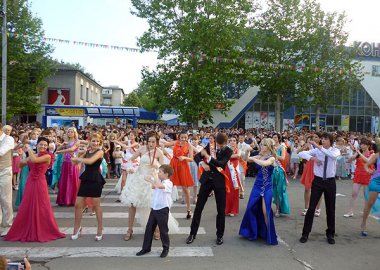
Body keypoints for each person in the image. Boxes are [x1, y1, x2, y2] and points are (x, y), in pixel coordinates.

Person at [4, 137, 65, 242]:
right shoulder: (34, 154)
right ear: (37, 145)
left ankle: (43, 228)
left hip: (40, 182)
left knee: (41, 205)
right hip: (30, 182)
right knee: (28, 204)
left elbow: (35, 160)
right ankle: (28, 226)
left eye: (45, 145)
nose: (43, 147)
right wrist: (23, 157)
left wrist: (29, 151)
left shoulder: (47, 156)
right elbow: (20, 164)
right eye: (41, 144)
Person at [186, 133, 233, 246]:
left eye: (222, 146)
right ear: (215, 142)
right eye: (219, 145)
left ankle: (219, 235)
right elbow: (197, 157)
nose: (220, 147)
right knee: (198, 208)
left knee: (220, 210)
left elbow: (221, 164)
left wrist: (208, 157)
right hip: (207, 180)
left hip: (219, 182)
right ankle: (192, 233)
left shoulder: (228, 151)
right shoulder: (210, 147)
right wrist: (202, 163)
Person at [120, 131, 166, 241]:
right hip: (138, 178)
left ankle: (157, 229)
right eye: (149, 141)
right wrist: (130, 168)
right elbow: (130, 160)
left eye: (153, 142)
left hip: (151, 180)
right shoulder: (141, 149)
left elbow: (164, 170)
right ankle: (129, 229)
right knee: (132, 204)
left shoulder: (159, 152)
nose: (151, 144)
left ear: (157, 142)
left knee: (153, 206)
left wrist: (157, 165)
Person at [299, 132, 340, 245]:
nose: (323, 140)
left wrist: (318, 147)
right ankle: (305, 233)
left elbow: (332, 156)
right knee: (311, 208)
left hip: (330, 181)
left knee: (330, 208)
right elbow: (301, 153)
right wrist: (313, 158)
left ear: (330, 141)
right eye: (322, 139)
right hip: (317, 181)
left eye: (325, 139)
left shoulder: (334, 150)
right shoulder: (317, 151)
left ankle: (330, 234)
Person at [239, 138, 278, 245]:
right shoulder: (259, 155)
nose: (261, 146)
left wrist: (255, 158)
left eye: (264, 145)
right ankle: (251, 231)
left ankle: (268, 235)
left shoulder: (272, 158)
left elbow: (265, 164)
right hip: (257, 186)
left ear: (268, 147)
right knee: (251, 207)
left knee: (266, 211)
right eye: (261, 145)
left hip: (267, 187)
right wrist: (247, 150)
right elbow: (246, 158)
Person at [70, 133, 105, 241]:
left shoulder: (100, 152)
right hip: (86, 178)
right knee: (77, 205)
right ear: (90, 141)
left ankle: (100, 229)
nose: (95, 143)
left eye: (97, 142)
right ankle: (77, 227)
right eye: (93, 141)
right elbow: (74, 164)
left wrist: (78, 158)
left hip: (95, 179)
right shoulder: (87, 151)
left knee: (96, 205)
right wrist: (75, 156)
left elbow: (90, 161)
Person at [136, 164, 174, 258]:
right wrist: (150, 177)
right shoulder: (159, 180)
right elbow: (153, 185)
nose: (158, 173)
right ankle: (146, 248)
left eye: (160, 172)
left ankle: (165, 248)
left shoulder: (168, 183)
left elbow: (159, 186)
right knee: (149, 228)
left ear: (166, 174)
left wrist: (155, 177)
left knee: (163, 230)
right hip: (154, 207)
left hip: (163, 209)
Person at [344, 138, 373, 218]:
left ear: (368, 145)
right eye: (361, 144)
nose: (362, 146)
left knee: (366, 195)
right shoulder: (358, 153)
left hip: (367, 175)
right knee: (354, 193)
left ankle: (365, 212)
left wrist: (359, 153)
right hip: (358, 174)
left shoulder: (372, 153)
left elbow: (368, 161)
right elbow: (350, 160)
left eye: (364, 144)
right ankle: (350, 212)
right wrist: (351, 157)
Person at [55, 127, 80, 206]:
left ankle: (72, 200)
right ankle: (63, 199)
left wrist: (61, 150)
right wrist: (62, 145)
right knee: (64, 180)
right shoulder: (66, 142)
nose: (70, 133)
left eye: (71, 132)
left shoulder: (77, 141)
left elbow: (72, 149)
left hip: (73, 162)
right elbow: (57, 150)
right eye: (68, 132)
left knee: (72, 180)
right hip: (65, 162)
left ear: (74, 133)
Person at [360, 138, 380, 236]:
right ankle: (363, 224)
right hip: (376, 181)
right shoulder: (377, 155)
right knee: (370, 204)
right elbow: (366, 165)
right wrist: (369, 171)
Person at [0, 123, 15, 229]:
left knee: (5, 199)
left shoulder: (8, 139)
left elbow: (1, 152)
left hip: (5, 171)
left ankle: (8, 225)